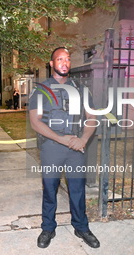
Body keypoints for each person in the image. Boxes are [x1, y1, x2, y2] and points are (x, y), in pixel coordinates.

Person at [29, 47, 100, 249]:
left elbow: (92, 118)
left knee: (77, 190)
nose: (64, 62)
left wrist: (83, 140)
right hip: (52, 148)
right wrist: (62, 139)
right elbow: (36, 122)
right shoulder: (41, 90)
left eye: (68, 59)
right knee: (50, 190)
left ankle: (81, 227)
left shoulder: (81, 89)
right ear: (51, 64)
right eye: (60, 59)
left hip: (76, 148)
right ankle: (48, 228)